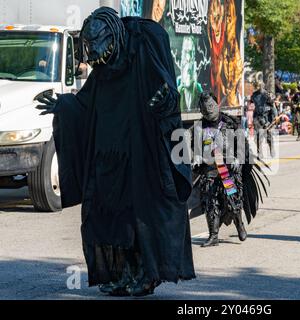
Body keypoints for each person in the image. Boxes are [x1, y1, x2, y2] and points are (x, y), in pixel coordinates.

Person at [36, 7, 195, 296]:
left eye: (98, 44)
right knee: (106, 215)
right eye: (91, 46)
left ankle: (147, 275)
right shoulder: (103, 69)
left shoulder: (143, 45)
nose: (95, 53)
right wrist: (63, 105)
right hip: (108, 156)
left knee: (142, 216)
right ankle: (123, 273)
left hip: (141, 151)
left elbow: (168, 88)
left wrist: (164, 100)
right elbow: (85, 104)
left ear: (112, 36)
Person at [191, 93, 269, 247]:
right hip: (210, 169)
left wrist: (238, 160)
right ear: (201, 110)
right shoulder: (199, 127)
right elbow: (196, 149)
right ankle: (213, 236)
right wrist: (197, 158)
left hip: (228, 169)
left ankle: (239, 224)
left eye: (211, 106)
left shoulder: (231, 123)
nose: (209, 111)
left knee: (232, 200)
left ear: (217, 105)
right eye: (205, 109)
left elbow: (243, 147)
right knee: (210, 201)